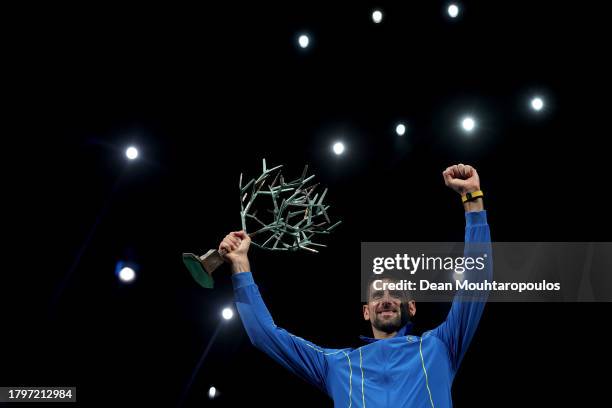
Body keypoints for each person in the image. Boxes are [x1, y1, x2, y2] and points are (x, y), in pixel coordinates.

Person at [219, 164, 491, 407]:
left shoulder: (441, 346)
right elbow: (265, 335)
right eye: (377, 295)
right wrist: (240, 264)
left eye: (395, 294)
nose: (386, 299)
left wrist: (472, 200)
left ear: (412, 307)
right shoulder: (337, 365)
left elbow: (476, 284)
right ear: (366, 311)